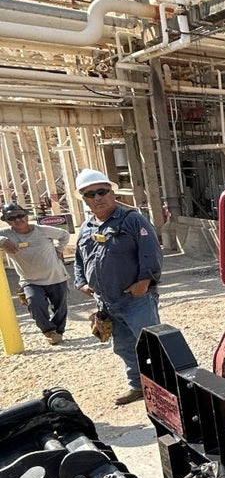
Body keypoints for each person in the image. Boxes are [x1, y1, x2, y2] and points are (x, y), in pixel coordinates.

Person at [73, 169, 163, 406]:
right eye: (90, 194)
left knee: (150, 344)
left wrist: (144, 282)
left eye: (102, 191)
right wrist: (81, 282)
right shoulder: (87, 227)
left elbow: (151, 252)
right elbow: (79, 259)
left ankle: (164, 388)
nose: (97, 197)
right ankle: (137, 386)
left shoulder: (132, 220)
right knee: (123, 347)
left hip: (136, 300)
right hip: (107, 302)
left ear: (112, 193)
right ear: (84, 200)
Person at [0, 203, 70, 344]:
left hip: (56, 277)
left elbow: (64, 234)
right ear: (7, 221)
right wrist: (2, 240)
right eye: (12, 218)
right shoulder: (6, 234)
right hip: (30, 281)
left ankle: (58, 332)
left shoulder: (42, 230)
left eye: (20, 215)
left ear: (27, 216)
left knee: (60, 308)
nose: (18, 219)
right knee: (34, 303)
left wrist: (59, 249)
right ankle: (49, 331)